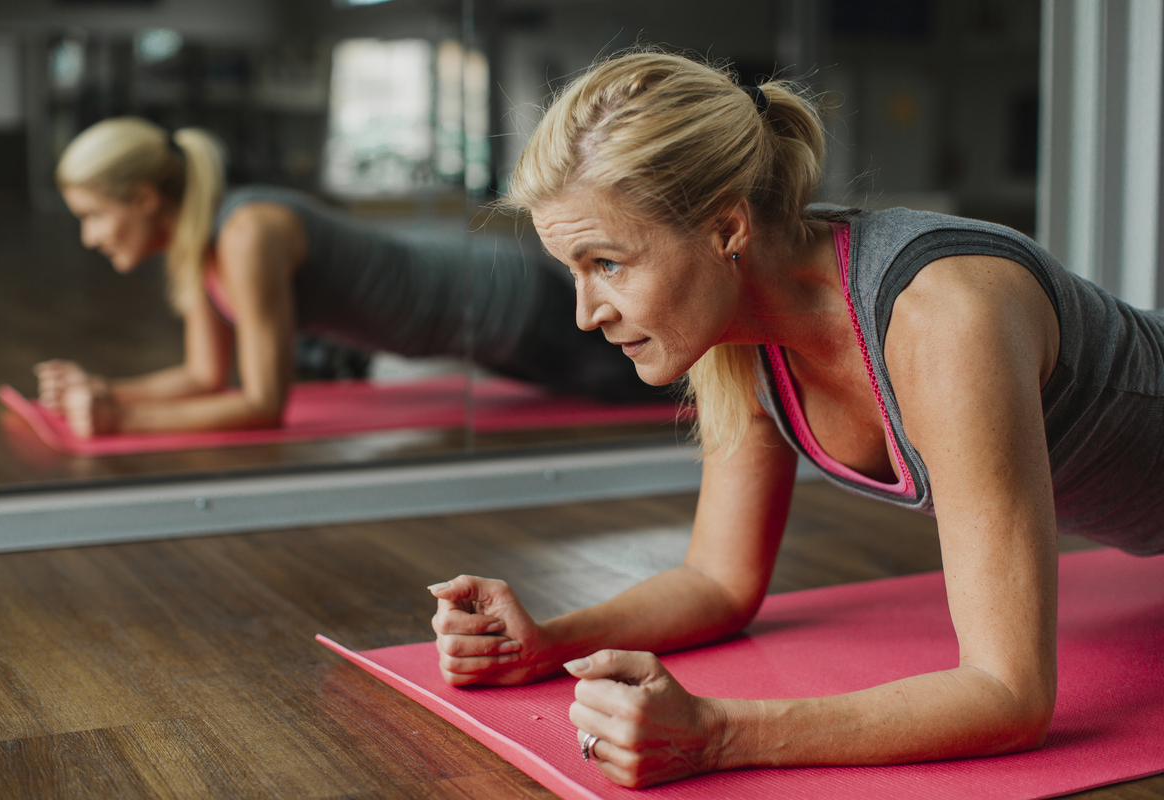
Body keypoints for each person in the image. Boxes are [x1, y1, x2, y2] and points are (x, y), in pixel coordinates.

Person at [428, 51, 1164, 788]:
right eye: (574, 271)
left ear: (726, 228)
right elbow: (717, 581)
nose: (587, 315)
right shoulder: (742, 341)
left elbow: (1010, 696)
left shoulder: (942, 316)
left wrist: (714, 735)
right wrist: (545, 643)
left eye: (608, 263)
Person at [37, 117, 661, 437]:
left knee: (682, 395)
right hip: (489, 336)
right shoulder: (202, 248)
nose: (90, 237)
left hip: (511, 306)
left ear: (145, 198)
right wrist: (105, 392)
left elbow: (261, 405)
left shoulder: (247, 233)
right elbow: (204, 377)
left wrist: (122, 419)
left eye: (93, 216)